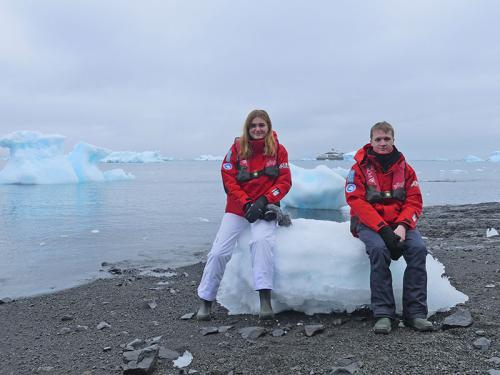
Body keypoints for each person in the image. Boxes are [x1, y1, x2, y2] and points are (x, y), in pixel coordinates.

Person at [196, 109, 292, 320]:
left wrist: (264, 201)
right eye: (253, 126)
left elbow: (284, 182)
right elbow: (228, 179)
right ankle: (205, 301)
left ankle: (265, 301)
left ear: (268, 127)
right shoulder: (236, 150)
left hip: (265, 209)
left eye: (261, 125)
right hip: (239, 208)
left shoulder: (279, 151)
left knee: (261, 243)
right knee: (219, 251)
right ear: (248, 128)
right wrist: (247, 203)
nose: (258, 129)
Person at [345, 121, 433, 334]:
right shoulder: (358, 169)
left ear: (393, 140)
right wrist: (383, 229)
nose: (383, 143)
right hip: (370, 225)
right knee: (378, 250)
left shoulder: (406, 170)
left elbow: (414, 202)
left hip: (399, 223)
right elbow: (356, 201)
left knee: (418, 249)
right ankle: (383, 313)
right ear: (371, 141)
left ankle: (416, 313)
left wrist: (403, 225)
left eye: (387, 139)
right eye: (378, 139)